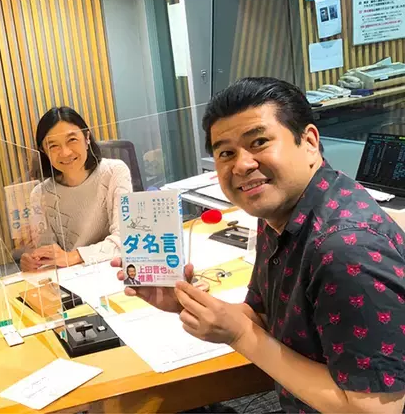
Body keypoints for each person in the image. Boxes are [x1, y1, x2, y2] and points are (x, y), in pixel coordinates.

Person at [113, 77, 405, 413]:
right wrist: (188, 303)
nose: (242, 165)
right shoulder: (281, 212)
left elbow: (376, 410)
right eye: (226, 153)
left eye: (259, 142)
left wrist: (240, 336)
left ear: (309, 142)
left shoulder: (344, 250)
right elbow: (265, 317)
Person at [21, 107, 132, 272]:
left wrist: (73, 256)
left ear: (87, 138)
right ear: (44, 151)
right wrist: (34, 261)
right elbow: (48, 256)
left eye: (72, 140)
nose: (65, 152)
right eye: (53, 145)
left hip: (113, 271)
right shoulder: (39, 194)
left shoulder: (115, 172)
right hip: (72, 279)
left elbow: (125, 239)